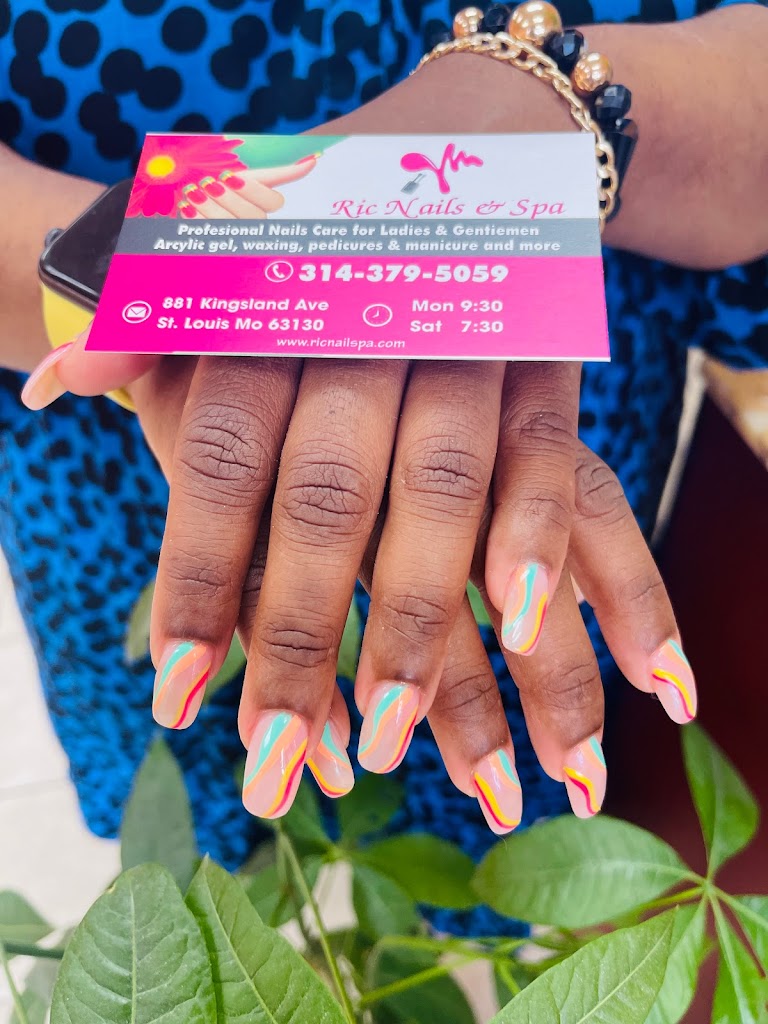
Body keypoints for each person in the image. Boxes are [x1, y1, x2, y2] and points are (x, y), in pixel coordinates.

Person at [2, 0, 766, 939]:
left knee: (484, 782)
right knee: (205, 839)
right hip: (112, 482)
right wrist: (189, 269)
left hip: (542, 439)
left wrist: (539, 112)